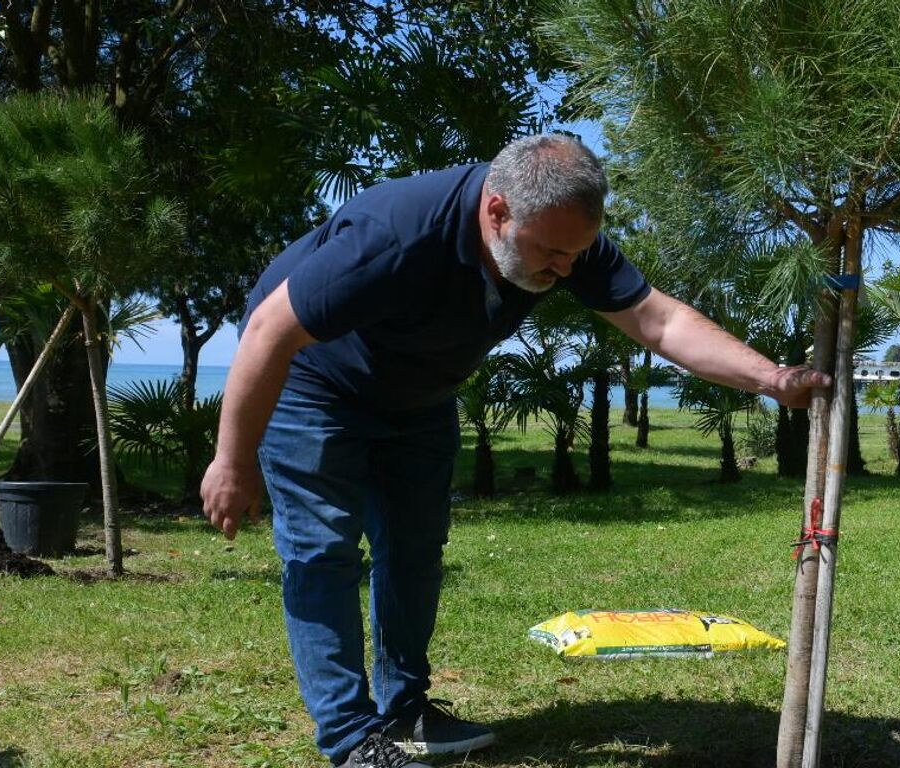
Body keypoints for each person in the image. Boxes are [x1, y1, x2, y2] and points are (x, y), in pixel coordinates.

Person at [200, 134, 828, 768]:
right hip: (316, 382)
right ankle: (351, 738)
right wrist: (233, 460)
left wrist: (771, 380)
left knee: (415, 550)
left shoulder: (563, 234)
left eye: (574, 255)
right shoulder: (394, 236)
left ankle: (406, 711)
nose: (562, 271)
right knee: (323, 551)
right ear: (496, 211)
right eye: (551, 254)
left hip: (419, 396)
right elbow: (267, 332)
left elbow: (658, 321)